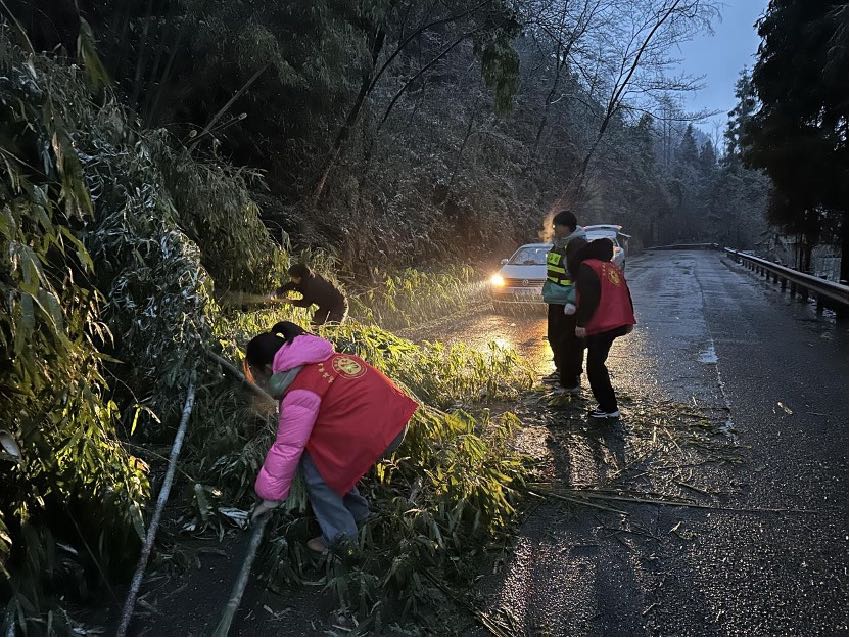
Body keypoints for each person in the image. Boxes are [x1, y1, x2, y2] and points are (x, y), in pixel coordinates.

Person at [244, 321, 418, 553]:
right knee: (325, 453)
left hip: (376, 433)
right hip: (395, 419)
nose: (258, 381)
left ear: (267, 369)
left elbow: (288, 446)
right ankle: (358, 514)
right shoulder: (319, 358)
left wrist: (269, 498)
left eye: (255, 374)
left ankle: (341, 540)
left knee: (316, 472)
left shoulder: (300, 388)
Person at [572, 238, 636, 419]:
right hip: (616, 322)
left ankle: (609, 407)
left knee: (595, 366)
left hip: (602, 323)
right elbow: (626, 293)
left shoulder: (588, 266)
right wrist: (629, 320)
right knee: (597, 362)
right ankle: (608, 406)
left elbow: (589, 298)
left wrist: (581, 323)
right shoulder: (611, 267)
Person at [541, 210, 588, 393]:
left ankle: (571, 379)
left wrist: (572, 301)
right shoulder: (560, 244)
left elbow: (580, 278)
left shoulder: (577, 245)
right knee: (555, 338)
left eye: (557, 226)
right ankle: (561, 370)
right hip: (555, 298)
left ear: (567, 227)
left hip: (568, 303)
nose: (554, 229)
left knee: (568, 342)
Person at [275, 264, 348, 327]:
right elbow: (291, 284)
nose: (291, 279)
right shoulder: (306, 277)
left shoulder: (311, 285)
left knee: (329, 329)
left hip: (339, 306)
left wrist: (288, 301)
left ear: (299, 278)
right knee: (314, 325)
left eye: (292, 278)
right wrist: (276, 292)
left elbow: (306, 303)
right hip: (326, 306)